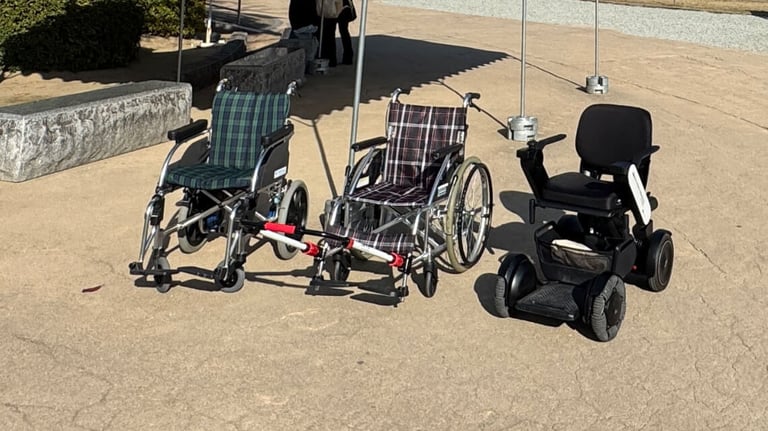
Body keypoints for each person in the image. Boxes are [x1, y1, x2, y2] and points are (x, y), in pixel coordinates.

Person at [336, 0, 356, 64]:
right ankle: (348, 57)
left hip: (340, 6)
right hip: (344, 7)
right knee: (344, 32)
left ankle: (331, 58)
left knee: (331, 32)